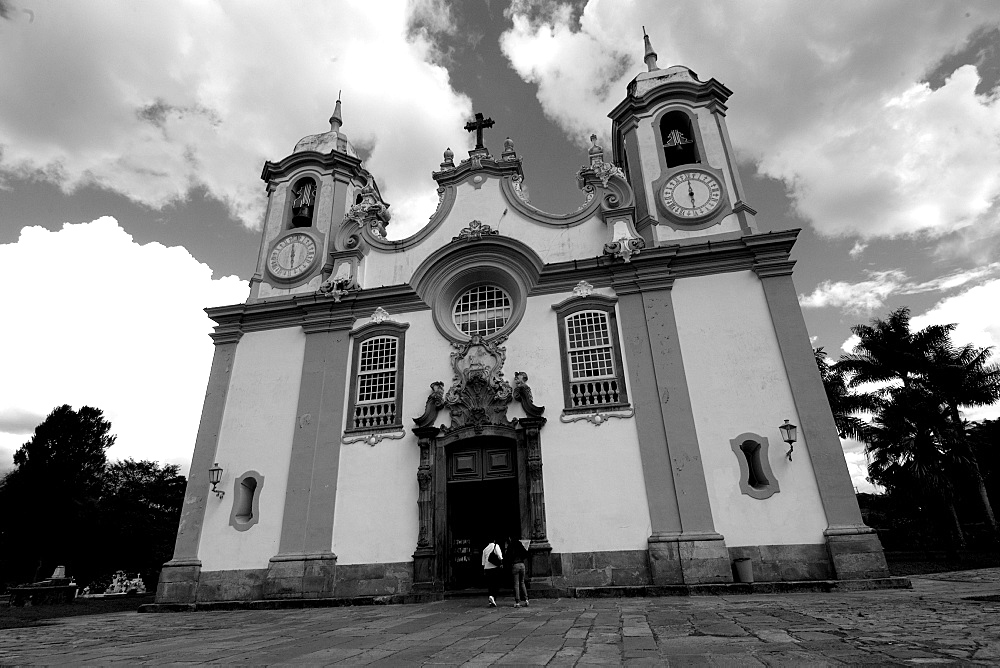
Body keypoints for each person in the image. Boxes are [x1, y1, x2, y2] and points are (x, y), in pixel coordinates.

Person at [508, 537, 530, 607]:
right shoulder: (520, 545)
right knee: (522, 582)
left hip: (515, 565)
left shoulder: (511, 546)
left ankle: (517, 602)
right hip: (522, 565)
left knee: (516, 584)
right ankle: (526, 600)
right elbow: (526, 554)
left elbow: (508, 556)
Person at [481, 537, 503, 607]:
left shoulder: (485, 549)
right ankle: (493, 597)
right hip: (494, 568)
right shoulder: (496, 546)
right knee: (496, 584)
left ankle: (490, 598)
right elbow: (500, 556)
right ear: (494, 540)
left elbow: (483, 563)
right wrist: (501, 562)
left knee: (490, 584)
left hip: (487, 568)